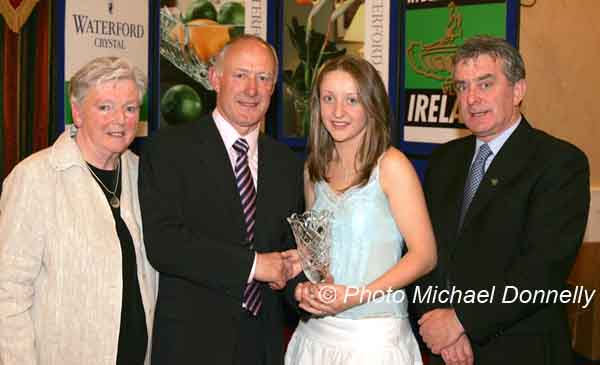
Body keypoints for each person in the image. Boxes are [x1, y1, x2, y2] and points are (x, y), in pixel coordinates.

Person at [417, 35, 590, 365]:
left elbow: (541, 270)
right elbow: (424, 251)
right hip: (446, 350)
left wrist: (461, 321)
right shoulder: (443, 161)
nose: (472, 98)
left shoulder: (559, 163)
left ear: (518, 90)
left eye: (485, 84)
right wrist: (439, 322)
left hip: (520, 349)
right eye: (462, 86)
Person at [139, 35, 305, 365]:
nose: (252, 89)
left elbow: (288, 251)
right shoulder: (169, 150)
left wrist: (302, 287)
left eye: (263, 78)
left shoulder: (287, 164)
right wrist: (255, 265)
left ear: (273, 88)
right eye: (240, 74)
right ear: (215, 78)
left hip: (262, 346)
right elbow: (165, 244)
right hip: (191, 346)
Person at [0, 56, 158, 364]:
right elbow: (8, 292)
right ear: (77, 112)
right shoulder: (36, 177)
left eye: (129, 108)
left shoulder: (144, 175)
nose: (120, 119)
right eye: (104, 107)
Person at [284, 55, 437, 365]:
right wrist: (309, 289)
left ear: (372, 104)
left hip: (375, 340)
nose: (338, 112)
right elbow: (319, 257)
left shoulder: (392, 165)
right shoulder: (313, 170)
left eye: (351, 100)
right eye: (329, 99)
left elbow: (425, 256)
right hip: (315, 337)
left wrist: (357, 295)